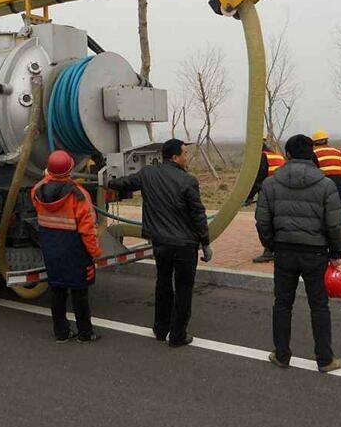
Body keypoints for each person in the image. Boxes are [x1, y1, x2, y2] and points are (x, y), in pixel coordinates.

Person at [107, 139, 212, 347]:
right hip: (184, 245)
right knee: (183, 289)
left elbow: (124, 183)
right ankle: (178, 335)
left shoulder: (148, 173)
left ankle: (160, 329)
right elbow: (198, 215)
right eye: (184, 153)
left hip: (160, 244)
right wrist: (205, 243)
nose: (186, 157)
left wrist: (108, 181)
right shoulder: (188, 181)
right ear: (174, 157)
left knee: (163, 283)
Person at [255, 134, 341, 373]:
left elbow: (262, 220)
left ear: (288, 155)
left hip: (284, 251)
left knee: (283, 304)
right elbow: (335, 223)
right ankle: (325, 359)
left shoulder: (270, 184)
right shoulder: (326, 184)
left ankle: (282, 354)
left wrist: (271, 244)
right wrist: (335, 251)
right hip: (316, 253)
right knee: (319, 306)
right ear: (312, 154)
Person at [31, 150, 103, 343]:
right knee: (80, 293)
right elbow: (87, 229)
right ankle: (85, 333)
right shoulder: (78, 195)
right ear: (70, 169)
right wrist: (95, 252)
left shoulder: (37, 191)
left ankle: (61, 332)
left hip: (51, 249)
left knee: (57, 291)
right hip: (76, 250)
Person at [250, 138, 285, 263]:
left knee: (263, 222)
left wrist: (249, 197)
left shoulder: (261, 158)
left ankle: (269, 250)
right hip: (282, 195)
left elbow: (258, 180)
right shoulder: (277, 156)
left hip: (267, 196)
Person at [312, 129, 341, 203]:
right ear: (326, 140)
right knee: (338, 206)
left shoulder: (314, 153)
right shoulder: (338, 151)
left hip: (325, 182)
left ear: (314, 142)